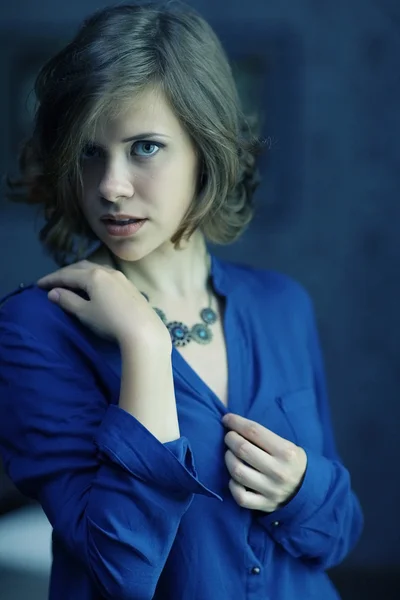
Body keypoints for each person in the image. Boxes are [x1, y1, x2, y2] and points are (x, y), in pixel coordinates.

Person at [0, 3, 363, 599]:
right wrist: (144, 346)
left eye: (144, 148)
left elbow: (339, 535)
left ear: (205, 150)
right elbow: (120, 570)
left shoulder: (282, 306)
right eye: (90, 152)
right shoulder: (34, 328)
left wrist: (301, 488)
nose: (111, 186)